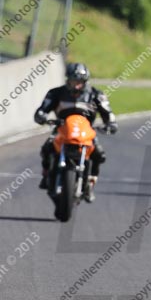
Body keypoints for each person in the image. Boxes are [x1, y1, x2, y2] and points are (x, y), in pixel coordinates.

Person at [34, 62, 117, 202]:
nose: (77, 85)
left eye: (80, 82)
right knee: (46, 149)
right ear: (68, 80)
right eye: (74, 81)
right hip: (62, 130)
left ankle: (90, 183)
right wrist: (41, 116)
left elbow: (108, 112)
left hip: (86, 133)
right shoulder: (55, 93)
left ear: (86, 82)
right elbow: (42, 109)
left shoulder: (96, 95)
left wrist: (111, 123)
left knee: (99, 154)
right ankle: (46, 175)